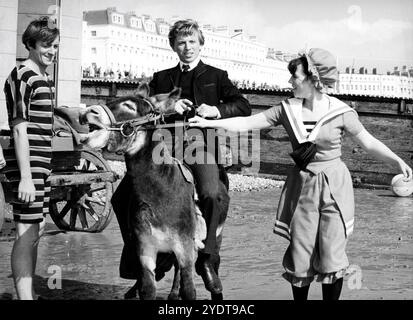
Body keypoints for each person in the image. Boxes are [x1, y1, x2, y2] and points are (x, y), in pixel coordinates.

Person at [189, 48, 412, 300]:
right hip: (302, 186)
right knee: (300, 252)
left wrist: (396, 160)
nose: (289, 82)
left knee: (332, 255)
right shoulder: (286, 109)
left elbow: (368, 142)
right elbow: (247, 123)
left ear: (312, 79)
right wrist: (209, 123)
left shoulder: (341, 112)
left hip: (334, 187)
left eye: (294, 76)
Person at [112, 19, 251, 298]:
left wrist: (216, 110)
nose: (187, 47)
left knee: (212, 193)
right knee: (120, 197)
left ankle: (207, 260)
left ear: (201, 44)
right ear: (173, 46)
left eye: (192, 42)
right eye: (181, 42)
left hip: (201, 146)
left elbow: (243, 106)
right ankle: (147, 266)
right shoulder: (161, 78)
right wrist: (168, 107)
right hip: (163, 147)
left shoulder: (217, 75)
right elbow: (143, 110)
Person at [2, 18, 59, 300]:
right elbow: (19, 128)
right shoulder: (22, 75)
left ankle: (28, 294)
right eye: (47, 45)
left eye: (56, 46)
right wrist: (26, 177)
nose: (52, 51)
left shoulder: (42, 78)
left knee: (34, 229)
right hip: (29, 168)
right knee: (25, 231)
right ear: (31, 45)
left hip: (40, 165)